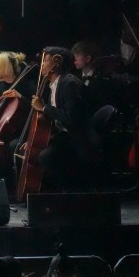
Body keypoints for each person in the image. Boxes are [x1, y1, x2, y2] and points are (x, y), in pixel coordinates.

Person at [24, 47, 94, 191]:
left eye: (46, 60)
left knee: (45, 156)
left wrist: (44, 108)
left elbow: (70, 118)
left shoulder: (69, 84)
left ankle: (65, 191)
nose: (42, 64)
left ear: (57, 64)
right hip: (62, 136)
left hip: (76, 138)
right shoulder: (54, 85)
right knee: (19, 147)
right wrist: (32, 140)